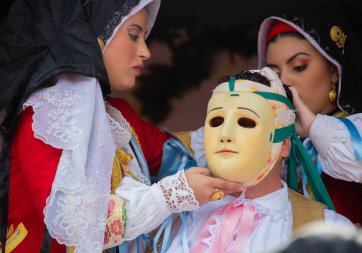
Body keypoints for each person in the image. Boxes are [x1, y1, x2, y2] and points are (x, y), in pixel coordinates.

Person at [0, 0, 244, 252]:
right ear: (93, 38)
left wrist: (248, 118)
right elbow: (76, 226)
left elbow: (181, 153)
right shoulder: (45, 118)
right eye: (134, 35)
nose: (145, 51)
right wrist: (171, 195)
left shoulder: (118, 116)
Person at [165, 68, 352, 253]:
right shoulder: (180, 220)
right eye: (216, 121)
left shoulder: (326, 234)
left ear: (284, 144)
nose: (225, 135)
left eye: (246, 122)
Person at [256, 2, 362, 231]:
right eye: (274, 73)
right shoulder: (275, 140)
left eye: (299, 66)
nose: (285, 81)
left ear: (334, 71)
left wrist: (315, 126)